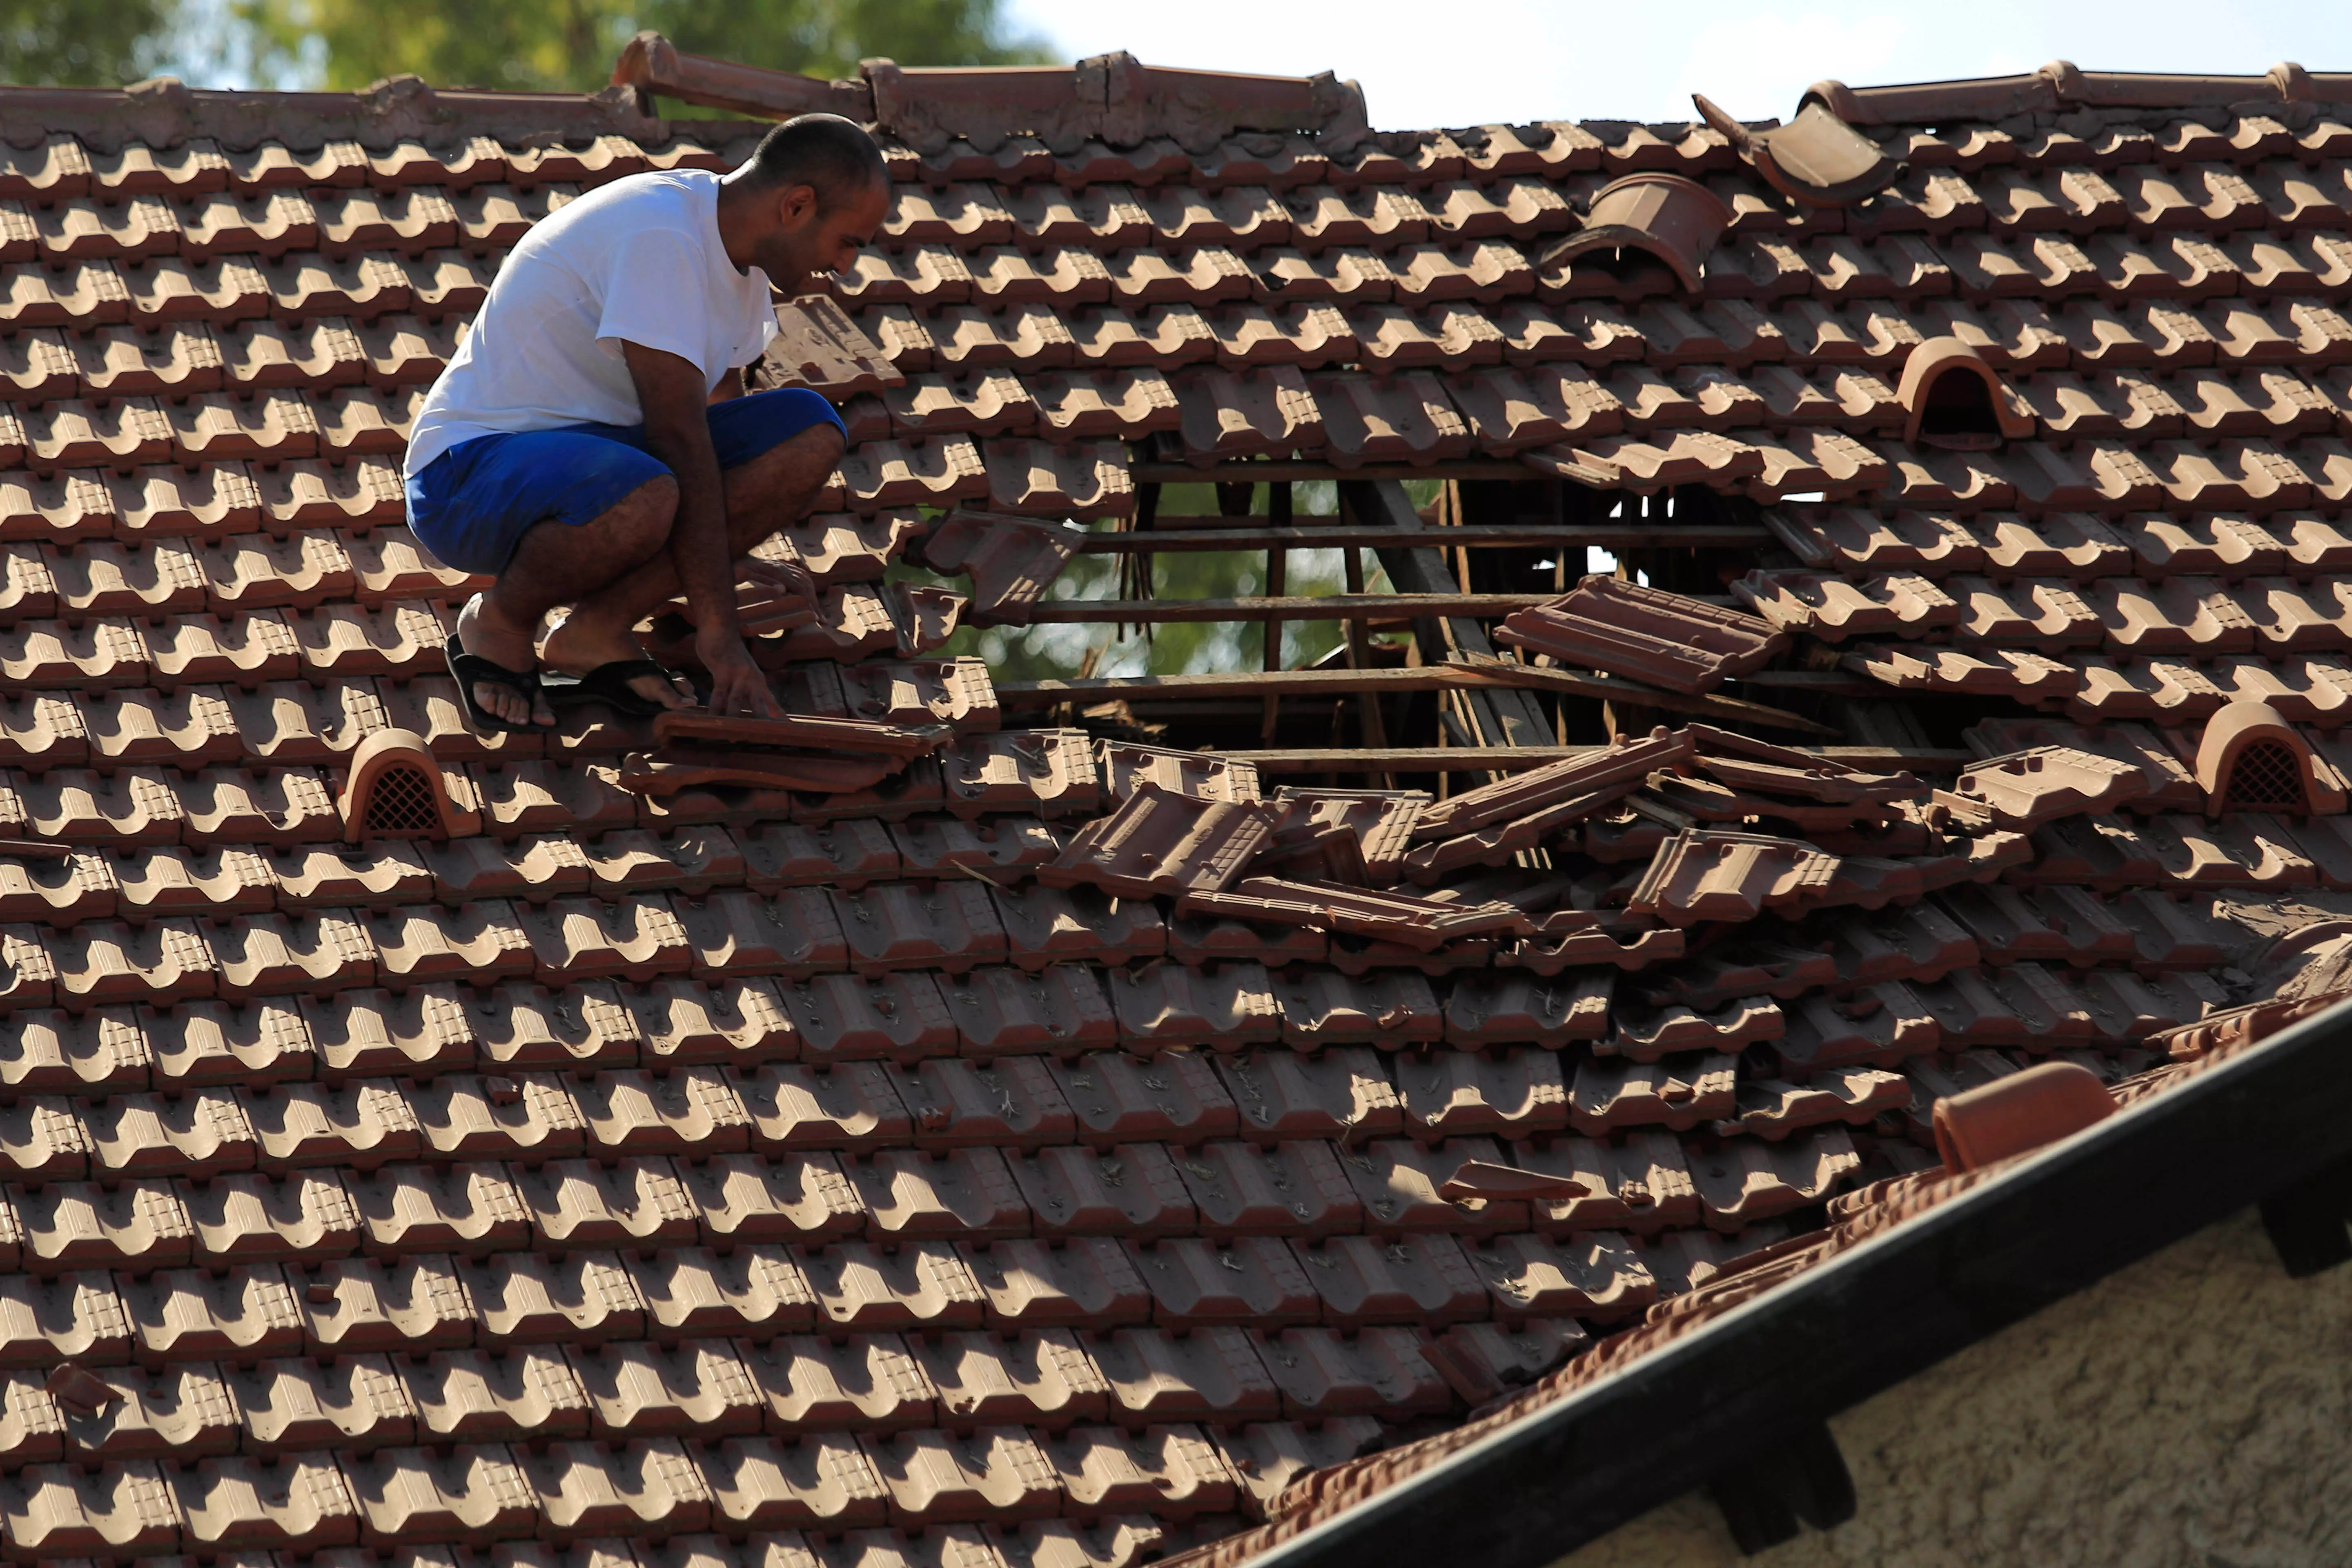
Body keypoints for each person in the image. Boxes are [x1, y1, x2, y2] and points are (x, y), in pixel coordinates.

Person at [402, 112, 891, 733]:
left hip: (604, 469)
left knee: (809, 431)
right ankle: (500, 620)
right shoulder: (664, 235)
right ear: (796, 206)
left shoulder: (741, 271)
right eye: (849, 241)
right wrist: (720, 634)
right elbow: (679, 439)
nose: (847, 266)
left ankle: (595, 630)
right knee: (648, 491)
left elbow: (722, 426)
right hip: (467, 477)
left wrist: (724, 556)